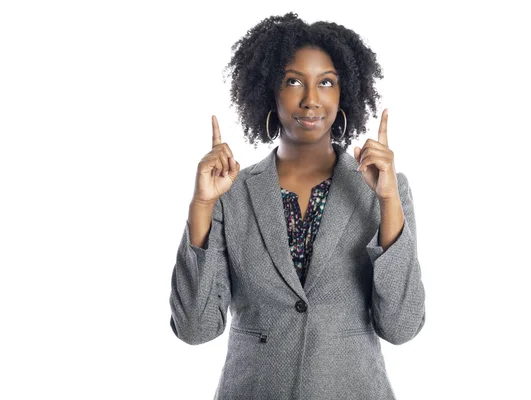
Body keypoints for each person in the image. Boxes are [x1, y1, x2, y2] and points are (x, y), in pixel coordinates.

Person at [169, 12, 426, 400]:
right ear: (269, 91)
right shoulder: (231, 193)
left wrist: (388, 201)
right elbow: (194, 328)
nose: (310, 99)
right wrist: (202, 205)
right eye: (293, 81)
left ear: (345, 93)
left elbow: (402, 327)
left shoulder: (384, 188)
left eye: (326, 82)